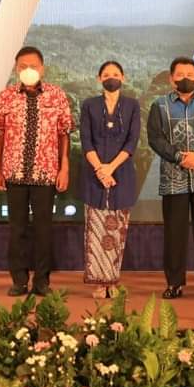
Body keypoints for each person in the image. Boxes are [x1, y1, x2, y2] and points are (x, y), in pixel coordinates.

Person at [0, 46, 73, 297]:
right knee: (17, 230)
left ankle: (42, 281)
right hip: (14, 173)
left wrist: (64, 168)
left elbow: (64, 134)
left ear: (42, 68)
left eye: (33, 66)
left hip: (46, 174)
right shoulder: (5, 96)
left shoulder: (57, 96)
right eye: (23, 66)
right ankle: (19, 280)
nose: (28, 70)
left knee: (43, 230)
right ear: (16, 69)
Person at [146, 56, 194, 300]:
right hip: (173, 179)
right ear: (172, 79)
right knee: (174, 233)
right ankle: (174, 283)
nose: (185, 79)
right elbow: (155, 138)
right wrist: (180, 157)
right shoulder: (159, 105)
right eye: (180, 75)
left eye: (190, 75)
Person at [79, 61, 141, 299]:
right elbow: (86, 140)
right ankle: (98, 282)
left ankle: (112, 281)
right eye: (106, 74)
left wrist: (111, 168)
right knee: (96, 230)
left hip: (122, 174)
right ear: (99, 79)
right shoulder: (89, 105)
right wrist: (100, 170)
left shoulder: (132, 105)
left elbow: (132, 141)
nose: (111, 77)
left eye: (115, 74)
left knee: (116, 231)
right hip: (94, 175)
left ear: (123, 78)